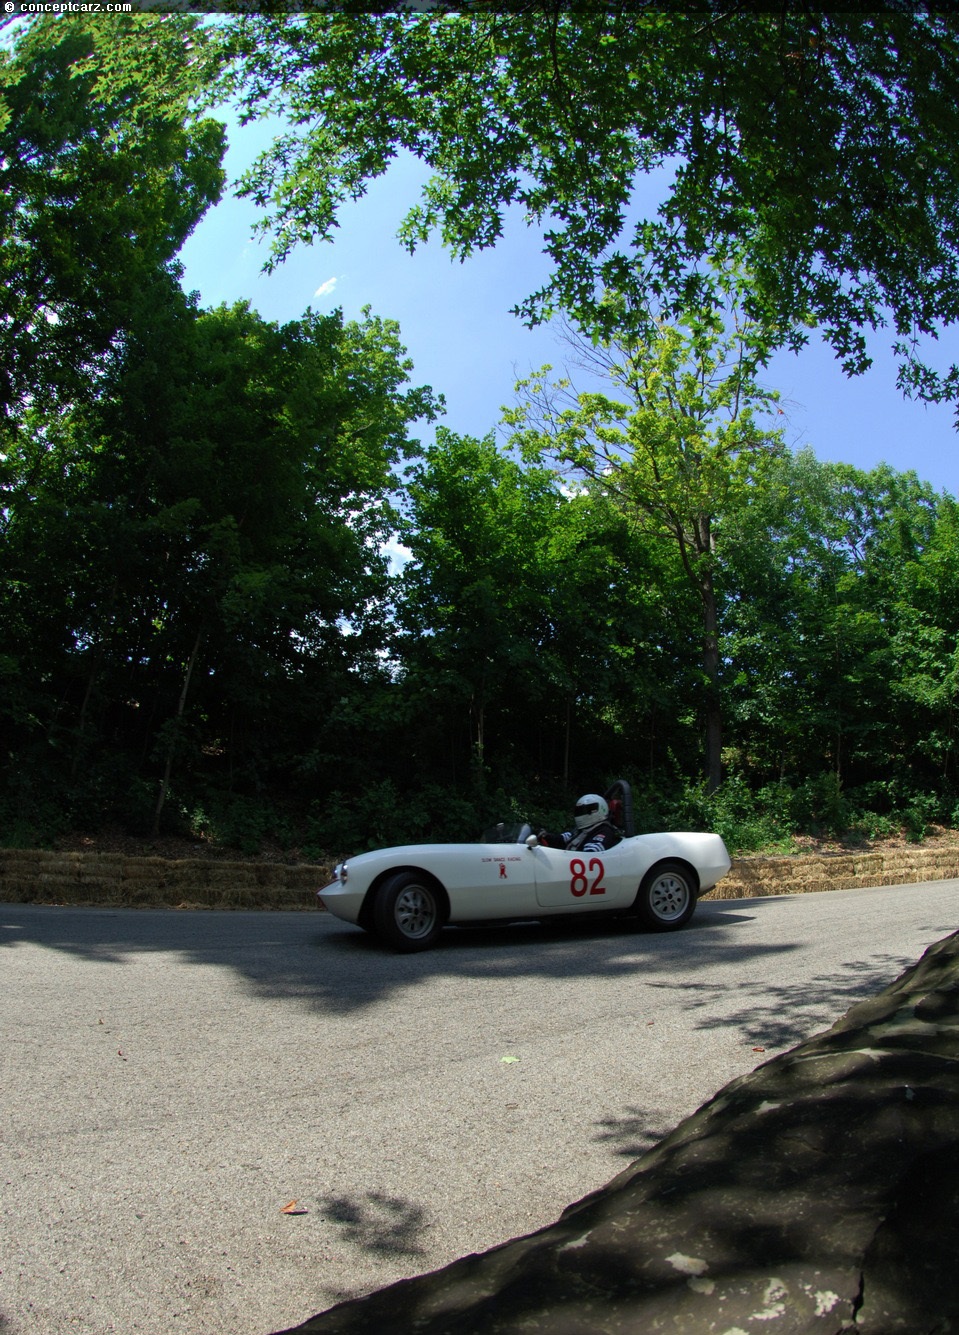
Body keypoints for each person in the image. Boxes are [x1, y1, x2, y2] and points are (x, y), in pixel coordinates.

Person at [539, 794, 623, 853]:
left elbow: (591, 853)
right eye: (580, 810)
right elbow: (563, 838)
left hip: (578, 870)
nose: (582, 813)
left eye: (587, 810)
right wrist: (545, 836)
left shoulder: (604, 831)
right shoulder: (582, 829)